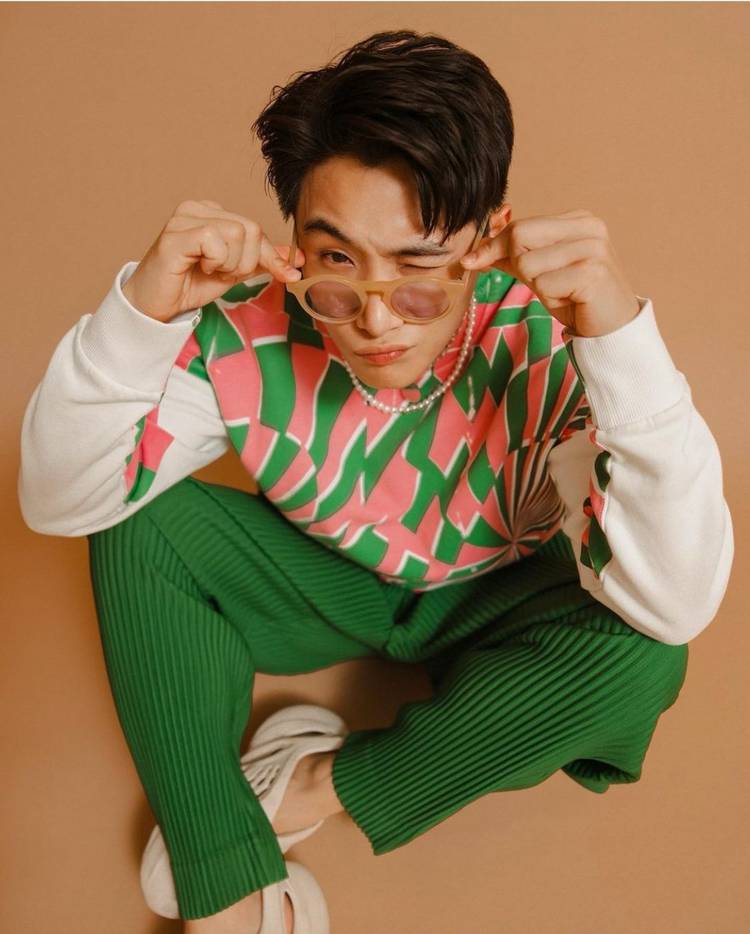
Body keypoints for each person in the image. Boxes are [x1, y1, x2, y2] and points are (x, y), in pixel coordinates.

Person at [17, 28, 733, 934]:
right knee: (134, 519)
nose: (378, 317)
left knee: (646, 653)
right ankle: (227, 893)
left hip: (496, 596)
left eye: (420, 269)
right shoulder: (249, 332)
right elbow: (63, 499)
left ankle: (296, 787)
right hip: (324, 586)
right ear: (295, 244)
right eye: (337, 263)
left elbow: (674, 600)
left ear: (487, 235)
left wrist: (622, 343)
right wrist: (141, 312)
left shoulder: (552, 341)